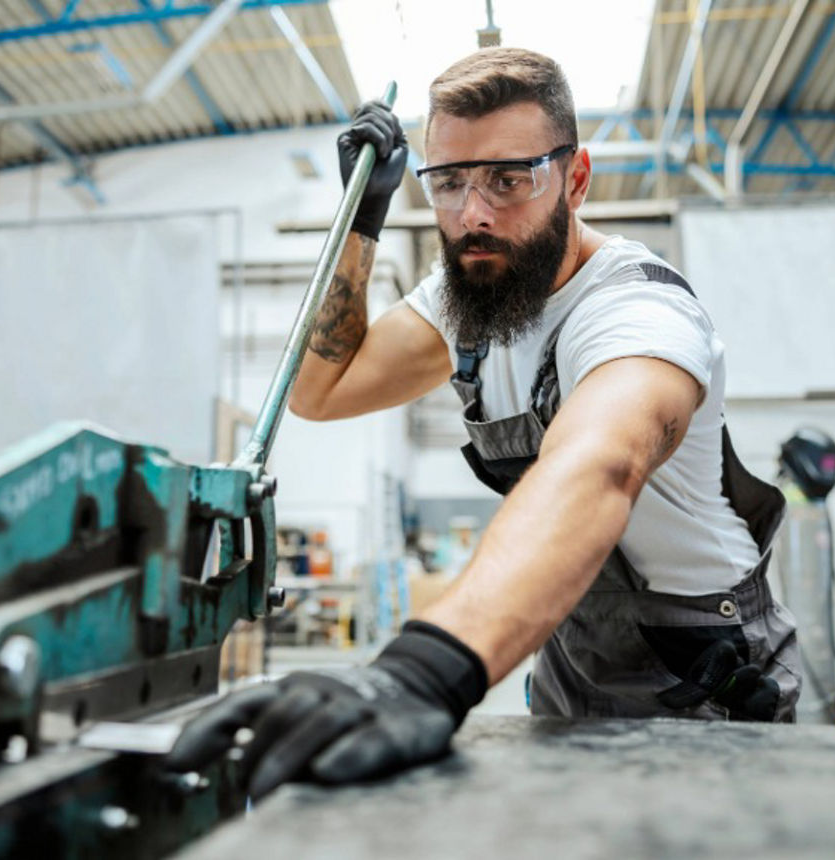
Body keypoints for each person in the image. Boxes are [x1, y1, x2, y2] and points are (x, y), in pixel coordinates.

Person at [166, 47, 800, 800]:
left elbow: (599, 467)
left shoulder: (638, 313)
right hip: (567, 645)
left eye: (509, 179)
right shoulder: (468, 296)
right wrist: (360, 221)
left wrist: (420, 670)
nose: (474, 214)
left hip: (705, 667)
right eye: (450, 183)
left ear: (575, 177)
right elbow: (316, 391)